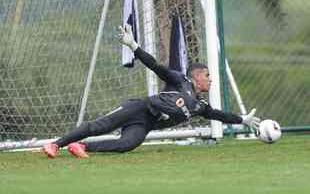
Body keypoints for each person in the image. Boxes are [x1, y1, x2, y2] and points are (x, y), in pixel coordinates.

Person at [42, 25, 260, 158]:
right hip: (139, 108)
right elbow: (155, 65)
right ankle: (55, 144)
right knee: (100, 126)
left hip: (145, 123)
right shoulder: (179, 80)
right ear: (196, 76)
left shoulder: (200, 106)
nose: (210, 80)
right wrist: (134, 47)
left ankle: (79, 146)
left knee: (127, 144)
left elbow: (220, 115)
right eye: (207, 75)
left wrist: (243, 120)